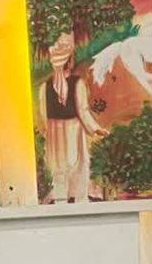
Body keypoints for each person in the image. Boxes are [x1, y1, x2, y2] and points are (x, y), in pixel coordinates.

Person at [41, 33, 105, 204]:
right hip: (73, 131)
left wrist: (48, 133)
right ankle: (80, 201)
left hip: (55, 134)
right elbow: (82, 110)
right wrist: (95, 128)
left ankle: (61, 202)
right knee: (79, 167)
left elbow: (44, 115)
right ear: (69, 61)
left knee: (59, 170)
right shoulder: (77, 83)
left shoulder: (45, 86)